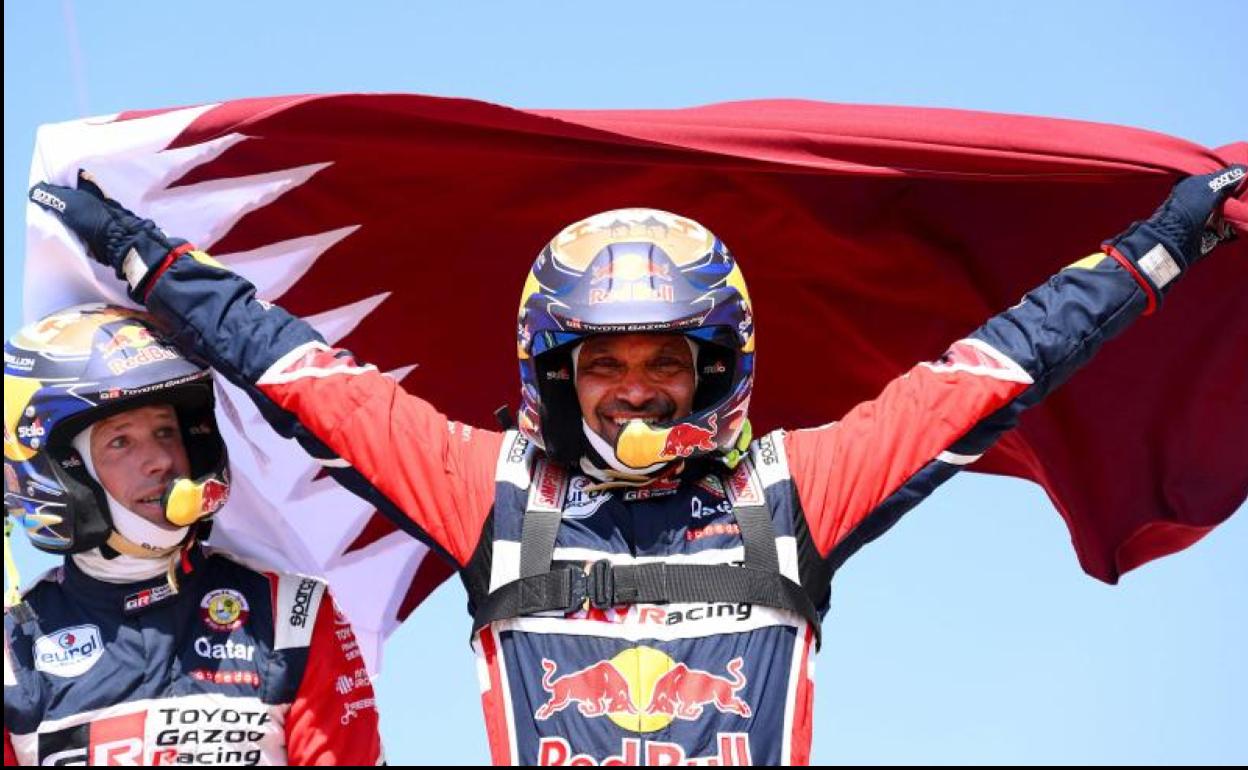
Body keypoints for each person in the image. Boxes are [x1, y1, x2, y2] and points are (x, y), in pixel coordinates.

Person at [26, 164, 1244, 765]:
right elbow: (291, 370)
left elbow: (999, 365)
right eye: (603, 365)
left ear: (719, 367)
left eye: (669, 359)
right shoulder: (484, 486)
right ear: (555, 374)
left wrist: (1173, 232)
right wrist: (135, 251)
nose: (638, 388)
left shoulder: (793, 489)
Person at [2, 305, 384, 766]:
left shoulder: (293, 614)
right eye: (121, 441)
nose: (161, 460)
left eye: (166, 431)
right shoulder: (12, 649)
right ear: (62, 470)